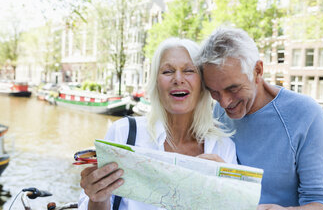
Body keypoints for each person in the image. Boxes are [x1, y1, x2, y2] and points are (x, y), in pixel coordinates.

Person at [78, 37, 236, 210]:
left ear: (202, 84)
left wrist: (227, 194)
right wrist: (98, 197)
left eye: (189, 70)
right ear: (155, 83)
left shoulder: (223, 147)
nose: (178, 78)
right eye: (167, 72)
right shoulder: (123, 133)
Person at [196, 27, 323, 210]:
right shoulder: (217, 112)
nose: (224, 102)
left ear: (257, 70)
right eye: (214, 92)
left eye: (233, 88)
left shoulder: (306, 114)